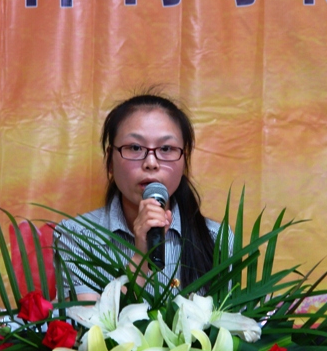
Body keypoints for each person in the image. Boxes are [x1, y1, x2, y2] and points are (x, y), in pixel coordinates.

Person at [56, 92, 220, 301]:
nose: (151, 163)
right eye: (135, 148)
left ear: (184, 162)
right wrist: (141, 257)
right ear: (110, 162)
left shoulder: (217, 239)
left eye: (166, 148)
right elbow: (88, 320)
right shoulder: (77, 237)